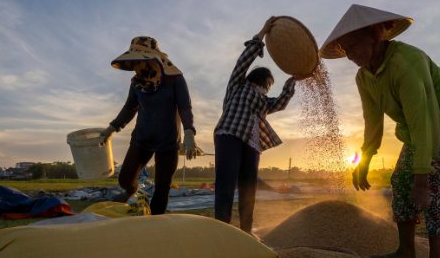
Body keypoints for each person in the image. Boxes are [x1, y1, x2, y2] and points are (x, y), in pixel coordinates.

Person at [320, 4, 440, 258]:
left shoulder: (407, 62)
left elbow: (425, 119)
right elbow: (372, 123)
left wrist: (422, 180)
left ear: (376, 34)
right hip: (418, 128)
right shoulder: (364, 77)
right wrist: (363, 161)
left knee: (439, 190)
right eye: (344, 50)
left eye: (353, 46)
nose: (349, 55)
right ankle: (406, 254)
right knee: (401, 180)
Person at [213, 17, 298, 234]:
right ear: (258, 79)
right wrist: (262, 33)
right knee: (226, 182)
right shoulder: (238, 86)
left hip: (252, 144)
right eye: (269, 82)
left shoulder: (264, 102)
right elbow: (244, 59)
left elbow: (279, 103)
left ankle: (245, 231)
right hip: (230, 135)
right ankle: (220, 230)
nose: (269, 87)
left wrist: (293, 82)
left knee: (248, 187)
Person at [100, 36, 198, 215]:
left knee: (162, 186)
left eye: (138, 60)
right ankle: (131, 191)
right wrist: (112, 128)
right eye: (133, 61)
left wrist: (189, 132)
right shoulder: (137, 83)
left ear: (152, 58)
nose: (135, 66)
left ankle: (155, 222)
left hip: (168, 142)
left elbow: (185, 107)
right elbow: (130, 108)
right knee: (125, 179)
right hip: (142, 138)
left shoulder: (175, 79)